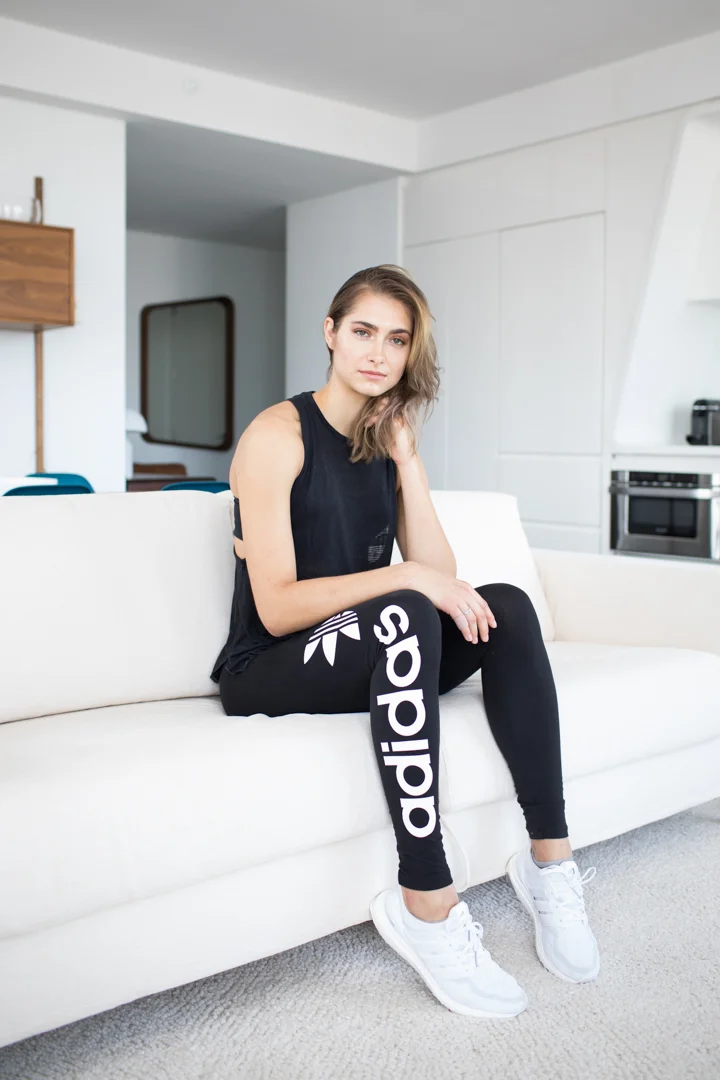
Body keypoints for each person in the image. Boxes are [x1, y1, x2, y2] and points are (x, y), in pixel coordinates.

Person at [211, 264, 600, 1020]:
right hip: (272, 665)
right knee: (406, 607)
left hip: (376, 646)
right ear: (330, 333)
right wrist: (408, 582)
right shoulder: (277, 437)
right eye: (363, 332)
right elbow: (278, 607)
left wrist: (407, 460)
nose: (378, 353)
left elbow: (441, 576)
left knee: (507, 606)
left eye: (397, 340)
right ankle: (426, 897)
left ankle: (550, 862)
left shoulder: (382, 441)